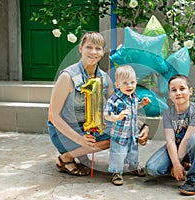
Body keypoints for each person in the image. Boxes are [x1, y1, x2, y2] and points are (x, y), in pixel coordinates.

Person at [47, 32, 150, 176]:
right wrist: (79, 139)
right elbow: (53, 116)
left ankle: (82, 154)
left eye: (98, 48)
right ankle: (65, 158)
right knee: (105, 138)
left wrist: (142, 126)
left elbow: (119, 107)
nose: (93, 52)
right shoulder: (68, 77)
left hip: (90, 126)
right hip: (66, 130)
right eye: (89, 47)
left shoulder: (104, 78)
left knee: (120, 133)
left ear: (102, 52)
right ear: (80, 48)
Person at [145, 74, 195, 195]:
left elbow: (186, 139)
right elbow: (170, 140)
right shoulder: (168, 114)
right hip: (176, 145)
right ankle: (184, 166)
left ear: (190, 91)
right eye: (173, 90)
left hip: (192, 145)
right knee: (152, 168)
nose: (178, 93)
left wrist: (176, 164)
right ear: (169, 95)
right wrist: (176, 164)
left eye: (182, 88)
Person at [104, 65, 151, 186]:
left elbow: (134, 108)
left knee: (133, 152)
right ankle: (116, 172)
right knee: (118, 154)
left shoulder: (134, 97)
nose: (129, 86)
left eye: (132, 82)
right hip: (120, 135)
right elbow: (106, 115)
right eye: (125, 83)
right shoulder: (114, 100)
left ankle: (133, 166)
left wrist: (142, 104)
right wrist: (117, 117)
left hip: (132, 133)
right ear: (117, 85)